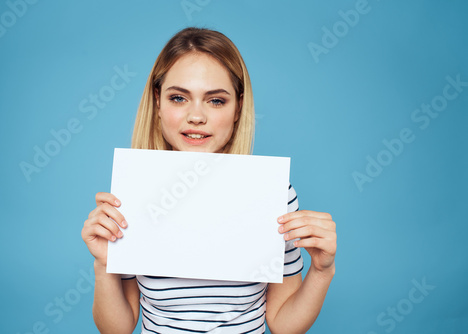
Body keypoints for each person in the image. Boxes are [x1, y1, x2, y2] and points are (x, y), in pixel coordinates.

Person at [81, 27, 337, 334]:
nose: (196, 116)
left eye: (215, 101)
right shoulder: (132, 192)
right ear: (158, 103)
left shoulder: (273, 194)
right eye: (179, 98)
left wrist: (322, 271)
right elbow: (117, 329)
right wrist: (103, 265)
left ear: (238, 107)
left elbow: (283, 324)